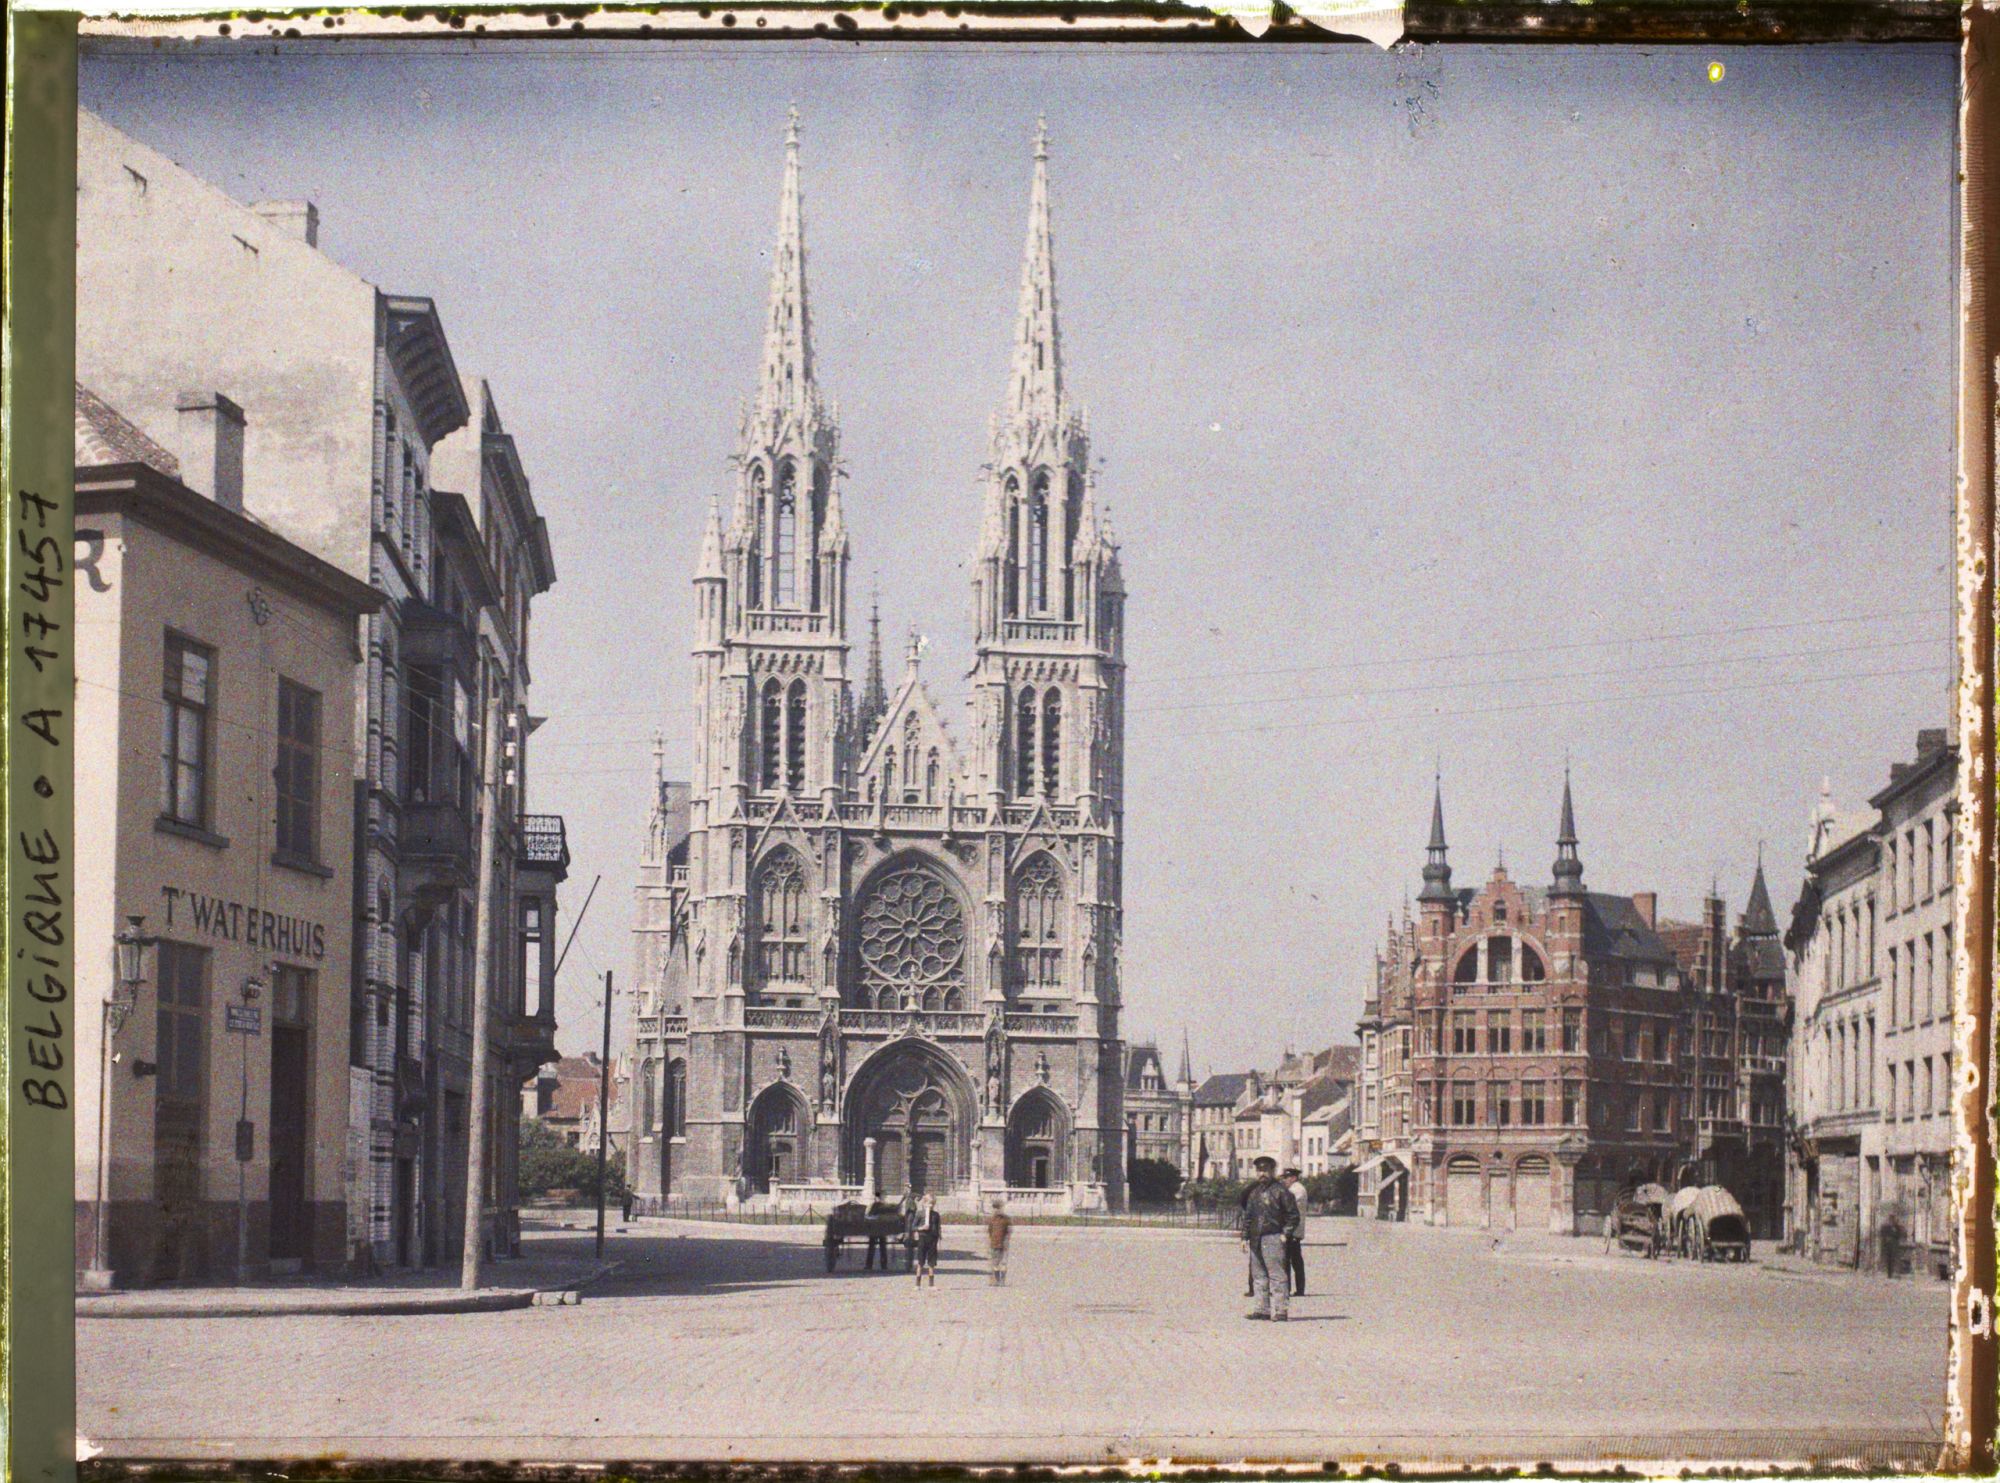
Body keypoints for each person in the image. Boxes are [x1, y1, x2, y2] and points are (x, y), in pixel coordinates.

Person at [1239, 1154, 1301, 1321]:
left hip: (1273, 1236)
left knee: (1277, 1275)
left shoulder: (1281, 1192)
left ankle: (1280, 1310)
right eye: (1259, 1170)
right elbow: (1248, 1217)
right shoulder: (1254, 1193)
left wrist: (1285, 1234)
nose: (1262, 1174)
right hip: (1255, 1238)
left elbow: (1293, 1216)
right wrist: (1244, 1237)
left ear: (1273, 1171)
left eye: (1266, 1170)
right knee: (1258, 1275)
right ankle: (1262, 1309)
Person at [1283, 1167, 1309, 1297]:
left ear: (1293, 1177)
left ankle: (1288, 1289)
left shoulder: (1296, 1190)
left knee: (1289, 1261)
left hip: (1293, 1231)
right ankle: (1299, 1289)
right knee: (1295, 1260)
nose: (1285, 1180)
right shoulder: (1297, 1189)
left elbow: (1286, 1207)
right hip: (1295, 1230)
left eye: (1287, 1178)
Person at [913, 1193, 943, 1287]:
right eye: (929, 1203)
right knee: (920, 1261)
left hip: (932, 1239)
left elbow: (938, 1226)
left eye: (932, 1204)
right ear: (924, 1203)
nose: (931, 1206)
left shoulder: (936, 1215)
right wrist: (921, 1228)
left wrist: (939, 1235)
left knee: (931, 1262)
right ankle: (917, 1284)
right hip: (923, 1238)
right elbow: (913, 1226)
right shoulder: (920, 1213)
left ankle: (931, 1284)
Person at [986, 1197, 1012, 1287]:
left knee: (995, 1263)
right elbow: (1009, 1232)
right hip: (1003, 1244)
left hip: (995, 1243)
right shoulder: (1006, 1219)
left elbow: (990, 1231)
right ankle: (1002, 1281)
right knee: (1002, 1263)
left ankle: (997, 1280)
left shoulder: (992, 1219)